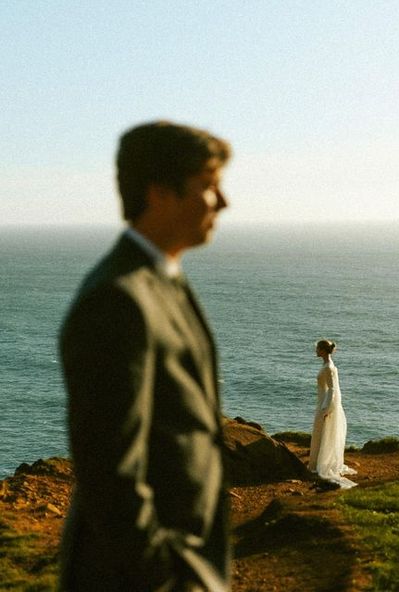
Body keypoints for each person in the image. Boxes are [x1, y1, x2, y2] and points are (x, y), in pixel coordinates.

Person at [58, 121, 232, 592]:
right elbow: (109, 469)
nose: (223, 202)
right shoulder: (117, 301)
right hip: (138, 577)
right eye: (209, 186)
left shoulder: (161, 282)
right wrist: (158, 572)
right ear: (158, 193)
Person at [308, 340, 357, 489]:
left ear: (323, 350)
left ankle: (320, 464)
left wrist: (326, 409)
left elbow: (332, 390)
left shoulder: (328, 367)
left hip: (324, 404)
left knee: (321, 432)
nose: (315, 350)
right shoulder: (329, 365)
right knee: (321, 433)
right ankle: (316, 462)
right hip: (322, 401)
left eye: (317, 348)